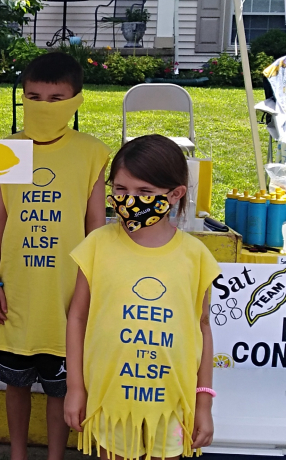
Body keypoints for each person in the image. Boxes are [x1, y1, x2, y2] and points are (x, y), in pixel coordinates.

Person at [0, 51, 110, 460]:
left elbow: (96, 226)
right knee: (15, 382)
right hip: (16, 292)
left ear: (76, 100)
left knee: (62, 388)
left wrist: (89, 289)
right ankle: (17, 454)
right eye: (34, 97)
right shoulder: (7, 150)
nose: (44, 106)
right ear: (22, 97)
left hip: (68, 294)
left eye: (56, 99)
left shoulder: (92, 152)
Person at [64, 134, 218, 459]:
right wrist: (75, 388)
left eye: (144, 192)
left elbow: (203, 327)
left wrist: (203, 402)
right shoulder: (96, 246)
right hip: (110, 400)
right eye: (121, 189)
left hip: (172, 404)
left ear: (175, 194)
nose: (130, 200)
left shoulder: (196, 257)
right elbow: (77, 317)